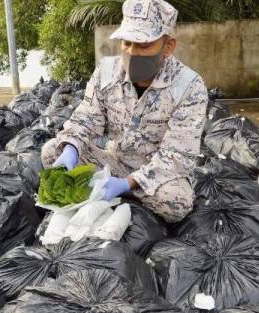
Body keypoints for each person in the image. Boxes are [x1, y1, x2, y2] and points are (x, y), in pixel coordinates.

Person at [41, 0, 208, 223]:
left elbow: (177, 155)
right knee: (52, 152)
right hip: (113, 161)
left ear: (168, 47)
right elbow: (85, 119)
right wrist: (71, 149)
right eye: (127, 43)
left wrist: (128, 183)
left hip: (156, 173)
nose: (132, 52)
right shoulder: (107, 72)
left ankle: (116, 192)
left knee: (176, 203)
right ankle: (117, 192)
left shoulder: (189, 86)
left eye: (143, 45)